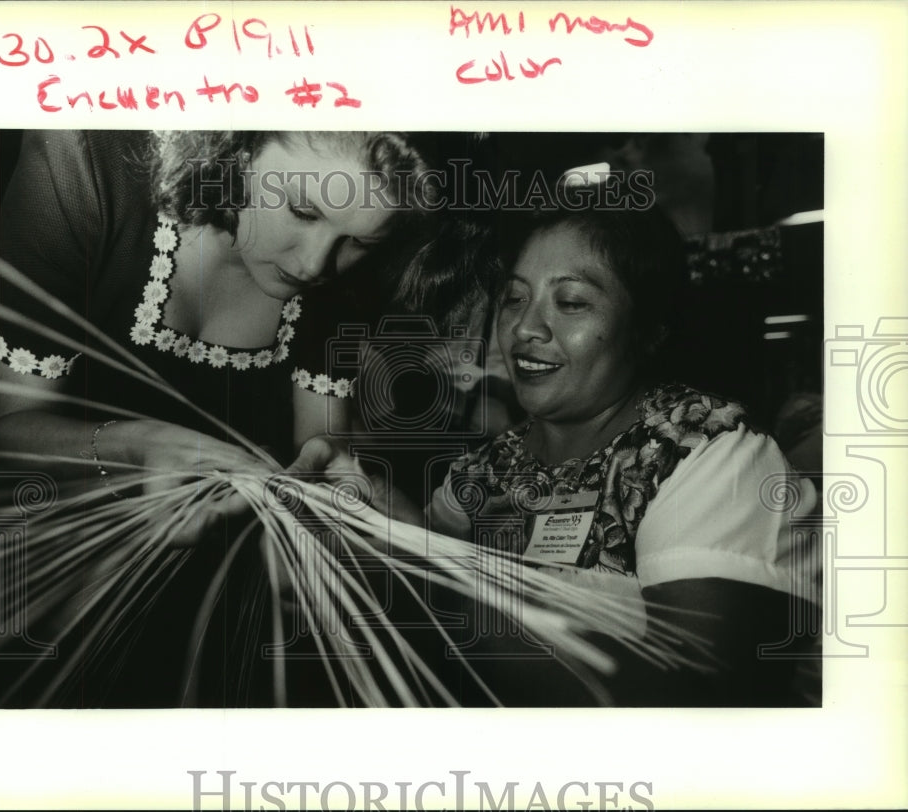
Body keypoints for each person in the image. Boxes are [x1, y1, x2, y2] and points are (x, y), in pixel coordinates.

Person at [0, 129, 477, 706]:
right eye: (302, 210)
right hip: (36, 597)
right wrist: (134, 444)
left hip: (214, 622)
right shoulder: (83, 164)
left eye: (358, 242)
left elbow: (318, 440)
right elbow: (3, 435)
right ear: (238, 146)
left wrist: (337, 472)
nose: (316, 265)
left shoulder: (342, 276)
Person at [298, 198, 821, 706]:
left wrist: (422, 583)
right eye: (514, 298)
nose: (526, 329)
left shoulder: (711, 457)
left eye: (570, 302)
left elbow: (697, 696)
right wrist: (389, 525)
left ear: (648, 329)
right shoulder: (480, 475)